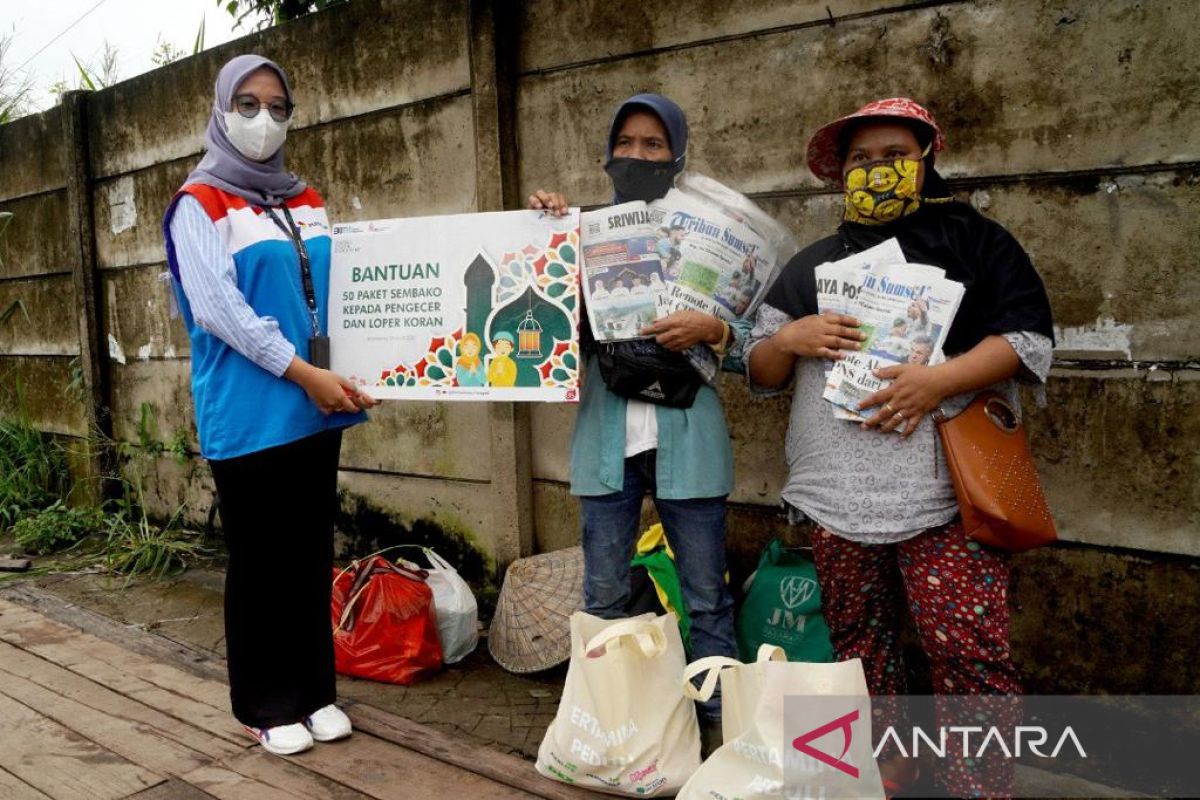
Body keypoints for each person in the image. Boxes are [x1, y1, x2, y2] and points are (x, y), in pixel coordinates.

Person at [746, 98, 1054, 797]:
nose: (876, 169)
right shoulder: (812, 265)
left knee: (966, 648)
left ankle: (979, 784)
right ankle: (888, 764)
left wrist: (933, 382)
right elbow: (759, 368)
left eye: (894, 156)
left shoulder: (975, 241)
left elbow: (1027, 341)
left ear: (925, 163)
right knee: (859, 642)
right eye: (861, 159)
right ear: (840, 175)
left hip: (945, 496)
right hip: (834, 498)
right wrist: (787, 340)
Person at [163, 56, 379, 756]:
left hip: (314, 406)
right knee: (261, 562)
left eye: (278, 107)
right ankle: (264, 703)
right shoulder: (199, 203)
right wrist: (302, 372)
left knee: (309, 555)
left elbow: (352, 283)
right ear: (222, 110)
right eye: (248, 104)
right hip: (252, 410)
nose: (264, 120)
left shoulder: (303, 197)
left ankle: (314, 693)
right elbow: (220, 309)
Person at [527, 93, 741, 728]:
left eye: (654, 144)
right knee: (604, 596)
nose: (639, 154)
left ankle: (718, 726)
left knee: (706, 597)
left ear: (678, 155)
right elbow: (547, 317)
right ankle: (613, 725)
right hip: (605, 442)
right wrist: (545, 234)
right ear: (608, 153)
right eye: (627, 143)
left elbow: (754, 349)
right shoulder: (583, 235)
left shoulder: (711, 239)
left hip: (691, 443)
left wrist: (715, 330)